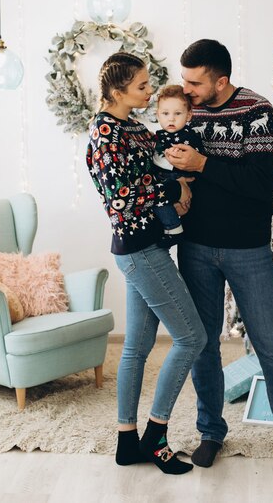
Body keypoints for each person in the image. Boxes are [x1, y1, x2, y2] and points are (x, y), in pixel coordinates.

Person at [166, 39, 273, 474]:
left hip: (248, 249)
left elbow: (259, 185)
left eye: (194, 82)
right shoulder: (186, 111)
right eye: (184, 80)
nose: (186, 89)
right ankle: (211, 431)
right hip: (195, 249)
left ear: (221, 80)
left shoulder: (256, 111)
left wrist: (202, 165)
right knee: (203, 345)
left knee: (271, 344)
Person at [86, 52, 207, 475]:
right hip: (139, 250)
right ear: (117, 92)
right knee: (193, 338)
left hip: (147, 247)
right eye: (141, 87)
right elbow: (121, 198)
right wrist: (173, 191)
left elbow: (151, 172)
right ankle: (155, 438)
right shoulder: (105, 134)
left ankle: (126, 442)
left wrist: (175, 178)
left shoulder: (135, 128)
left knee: (135, 349)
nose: (150, 91)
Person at [153, 84, 203, 248]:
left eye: (178, 113)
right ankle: (170, 226)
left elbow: (195, 162)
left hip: (182, 179)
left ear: (188, 115)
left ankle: (174, 230)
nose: (171, 119)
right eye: (165, 113)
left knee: (163, 197)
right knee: (158, 198)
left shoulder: (190, 137)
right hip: (162, 179)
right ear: (157, 114)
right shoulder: (157, 137)